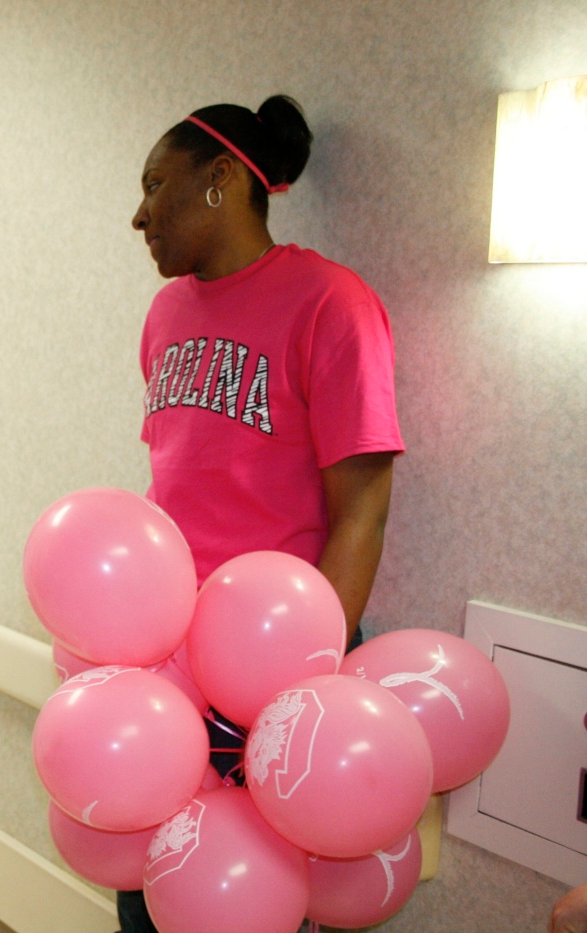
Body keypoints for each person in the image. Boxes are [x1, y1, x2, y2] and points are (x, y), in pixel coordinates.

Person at [120, 96, 404, 931]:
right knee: (150, 895)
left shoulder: (331, 304)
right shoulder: (166, 313)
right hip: (165, 657)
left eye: (154, 184)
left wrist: (299, 689)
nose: (138, 214)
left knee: (249, 900)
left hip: (273, 666)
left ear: (220, 180)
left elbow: (362, 514)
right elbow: (179, 484)